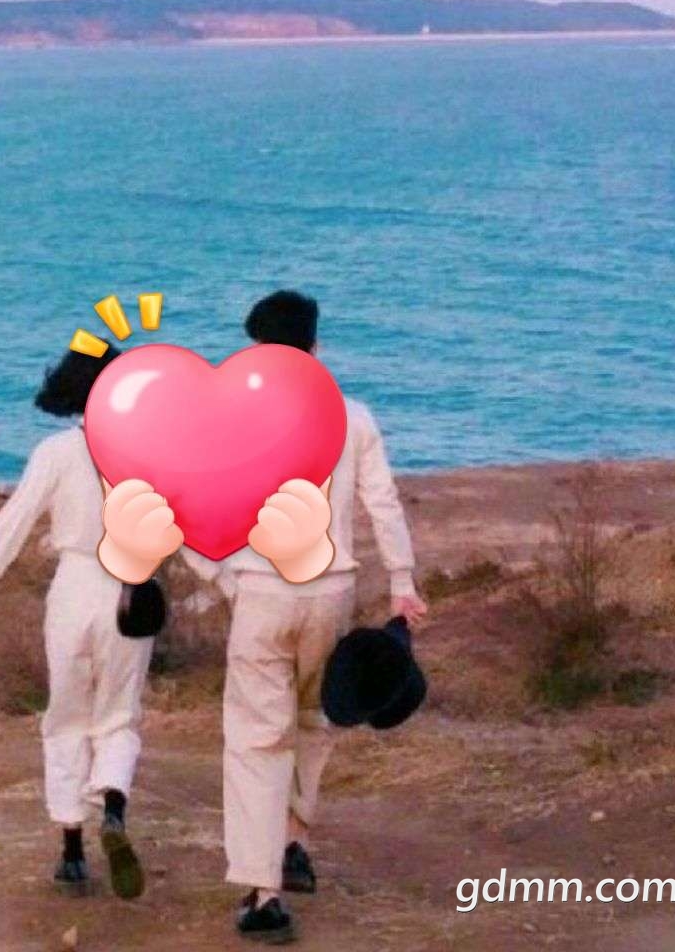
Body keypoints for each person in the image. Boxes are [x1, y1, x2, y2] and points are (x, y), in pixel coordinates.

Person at [223, 290, 429, 942]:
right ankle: (294, 841)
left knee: (257, 740)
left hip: (262, 591)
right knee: (317, 722)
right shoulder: (354, 416)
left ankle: (264, 895)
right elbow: (382, 502)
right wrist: (401, 582)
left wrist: (222, 576)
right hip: (330, 591)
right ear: (316, 345)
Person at [0, 347, 151, 901]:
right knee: (119, 716)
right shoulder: (150, 451)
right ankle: (113, 802)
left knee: (66, 718)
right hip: (132, 590)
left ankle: (73, 852)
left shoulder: (57, 452)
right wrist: (233, 583)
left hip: (75, 588)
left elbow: (11, 526)